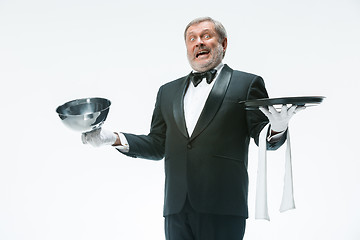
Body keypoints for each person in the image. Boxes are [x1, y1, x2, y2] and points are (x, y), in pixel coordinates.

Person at [82, 17, 301, 240]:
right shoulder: (167, 91)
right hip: (176, 209)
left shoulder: (247, 84)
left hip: (223, 207)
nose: (199, 42)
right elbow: (158, 145)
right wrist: (112, 138)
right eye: (192, 38)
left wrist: (277, 128)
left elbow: (262, 136)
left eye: (206, 36)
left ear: (223, 44)